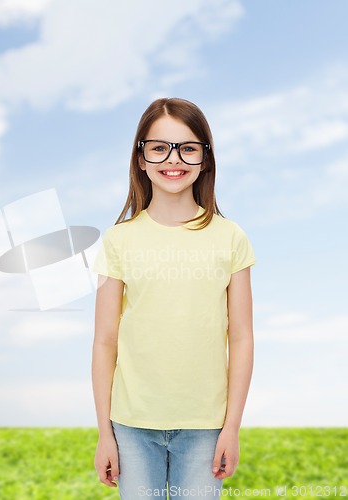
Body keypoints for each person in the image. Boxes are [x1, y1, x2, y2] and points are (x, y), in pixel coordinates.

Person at [91, 97, 256, 499]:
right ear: (141, 157)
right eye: (159, 146)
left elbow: (243, 338)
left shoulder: (229, 237)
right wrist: (104, 433)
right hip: (131, 425)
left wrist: (231, 427)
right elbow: (104, 341)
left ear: (205, 158)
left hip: (206, 426)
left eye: (188, 147)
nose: (173, 159)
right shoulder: (119, 239)